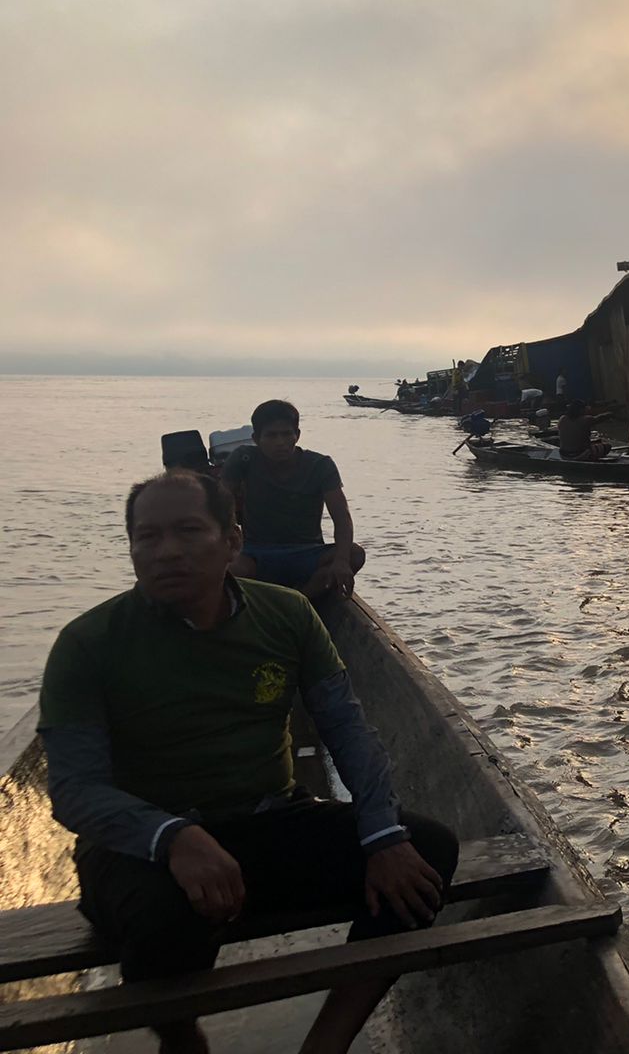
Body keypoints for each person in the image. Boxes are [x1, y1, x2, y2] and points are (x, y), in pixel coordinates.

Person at [38, 470, 457, 1054]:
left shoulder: (285, 615)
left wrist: (383, 834)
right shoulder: (89, 643)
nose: (166, 552)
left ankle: (326, 1043)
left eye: (188, 531)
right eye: (147, 537)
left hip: (268, 820)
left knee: (426, 852)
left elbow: (347, 730)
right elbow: (75, 789)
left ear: (233, 542)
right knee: (165, 923)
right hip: (142, 843)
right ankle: (184, 1040)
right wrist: (174, 837)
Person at [222, 400, 364, 602]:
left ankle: (300, 601)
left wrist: (341, 561)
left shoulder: (320, 465)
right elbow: (220, 504)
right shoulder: (243, 459)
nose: (280, 442)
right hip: (257, 553)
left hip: (307, 552)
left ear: (297, 435)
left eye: (287, 434)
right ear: (256, 438)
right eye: (271, 435)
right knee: (225, 568)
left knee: (354, 554)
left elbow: (342, 517)